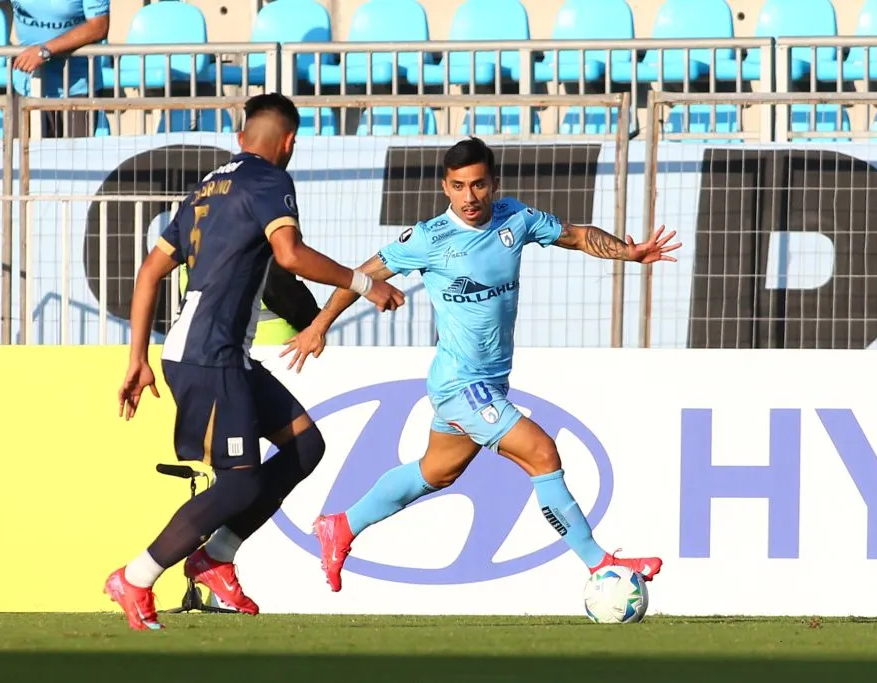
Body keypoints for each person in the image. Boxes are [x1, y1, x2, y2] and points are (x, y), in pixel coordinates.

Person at [283, 137, 680, 593]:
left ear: (493, 184)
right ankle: (601, 564)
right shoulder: (429, 239)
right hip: (460, 385)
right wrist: (318, 326)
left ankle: (342, 525)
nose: (469, 197)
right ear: (444, 187)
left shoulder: (516, 218)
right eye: (457, 186)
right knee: (543, 453)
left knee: (437, 472)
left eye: (477, 185)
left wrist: (627, 253)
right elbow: (359, 276)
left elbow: (575, 235)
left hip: (490, 382)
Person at [106, 93, 405, 631]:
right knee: (239, 483)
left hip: (214, 355)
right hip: (209, 356)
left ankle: (217, 556)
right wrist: (365, 283)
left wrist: (138, 358)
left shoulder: (203, 189)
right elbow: (289, 255)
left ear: (241, 138)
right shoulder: (270, 180)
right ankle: (136, 576)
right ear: (288, 142)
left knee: (306, 444)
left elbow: (149, 272)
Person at [0, 0, 111, 137]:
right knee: (22, 165)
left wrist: (45, 50)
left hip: (76, 90)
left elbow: (98, 27)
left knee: (72, 168)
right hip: (25, 87)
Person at [178, 259, 322, 345]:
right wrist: (318, 322)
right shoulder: (255, 252)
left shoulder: (190, 259)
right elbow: (298, 306)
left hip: (208, 348)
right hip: (272, 349)